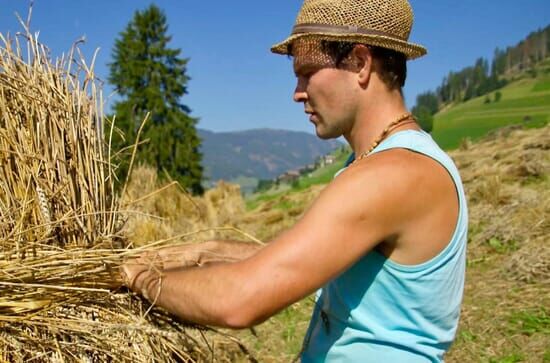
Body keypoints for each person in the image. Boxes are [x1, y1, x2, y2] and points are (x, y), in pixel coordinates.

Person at [121, 0, 468, 361]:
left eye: (307, 72)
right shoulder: (382, 164)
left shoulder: (392, 175)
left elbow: (241, 300)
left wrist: (137, 277)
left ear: (361, 63)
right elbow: (305, 261)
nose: (297, 92)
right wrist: (208, 252)